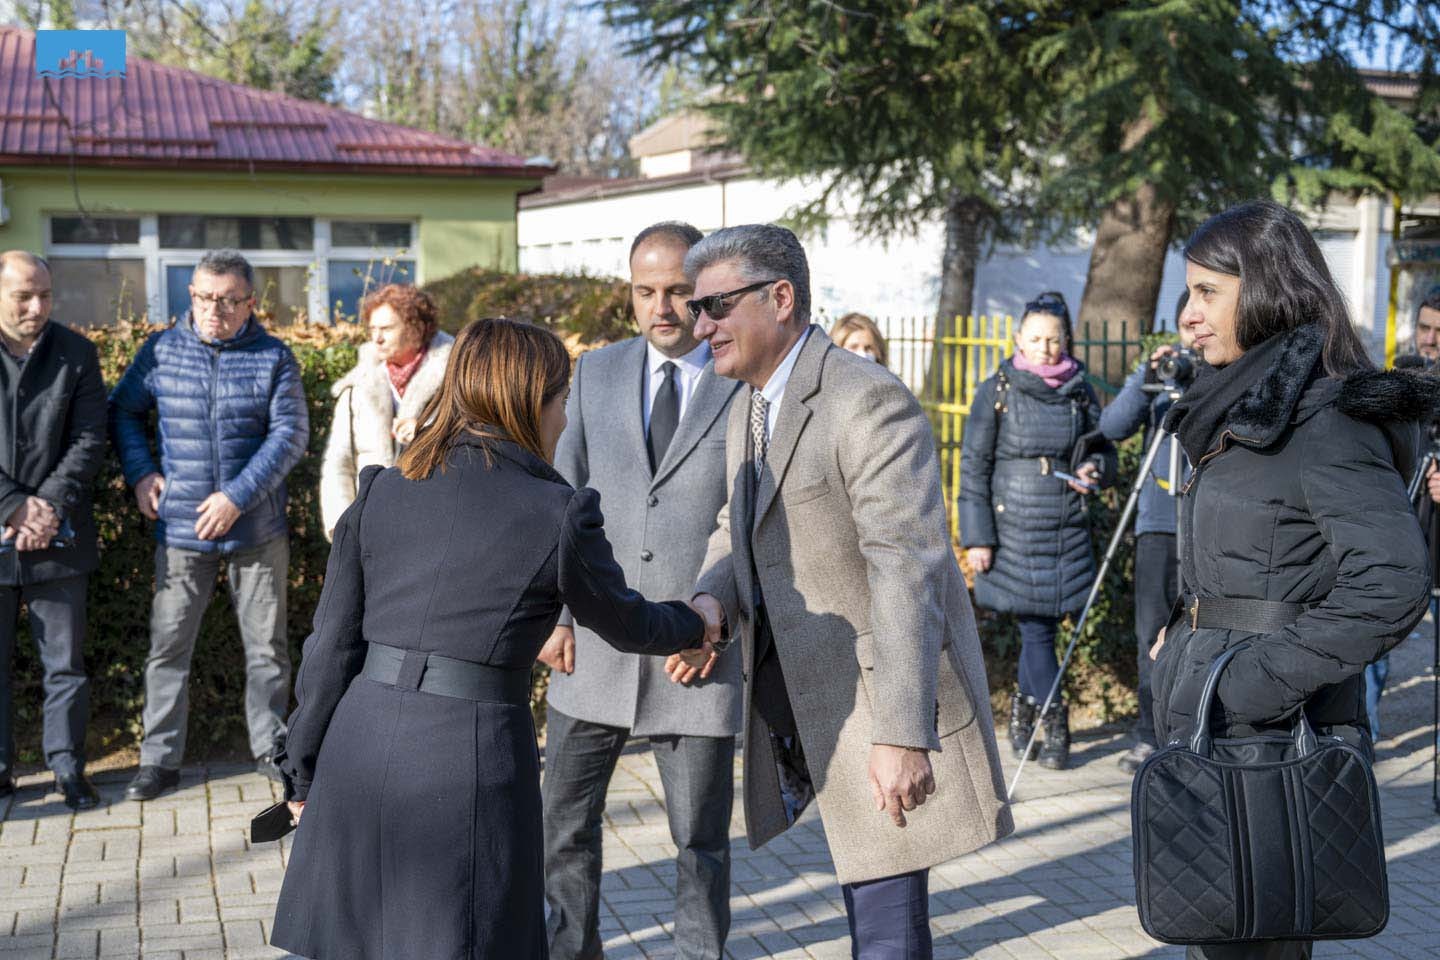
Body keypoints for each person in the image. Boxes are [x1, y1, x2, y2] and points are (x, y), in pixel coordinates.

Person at [269, 317, 713, 960]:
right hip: (468, 755)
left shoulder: (385, 488)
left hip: (359, 742)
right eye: (562, 400)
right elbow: (629, 623)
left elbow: (330, 646)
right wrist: (698, 622)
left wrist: (301, 770)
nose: (565, 419)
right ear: (531, 402)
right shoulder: (557, 511)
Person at [687, 224, 1012, 960]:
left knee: (888, 936)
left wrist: (900, 732)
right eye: (697, 308)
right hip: (812, 705)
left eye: (717, 305)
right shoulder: (747, 403)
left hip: (877, 706)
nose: (701, 326)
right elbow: (737, 528)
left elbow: (906, 570)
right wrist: (710, 603)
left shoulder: (865, 398)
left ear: (780, 298)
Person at [1150, 200, 1434, 960]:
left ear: (1269, 290)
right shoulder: (1237, 404)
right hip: (1213, 720)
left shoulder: (1325, 418)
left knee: (1256, 941)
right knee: (1217, 933)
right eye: (1188, 292)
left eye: (1208, 292)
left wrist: (1254, 683)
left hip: (1273, 736)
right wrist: (1182, 633)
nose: (1188, 314)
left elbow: (1392, 580)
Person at [540, 221, 742, 960]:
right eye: (644, 291)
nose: (661, 308)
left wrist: (714, 621)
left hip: (697, 649)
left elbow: (749, 518)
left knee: (699, 839)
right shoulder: (594, 372)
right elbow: (559, 497)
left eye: (678, 292)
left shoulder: (742, 381)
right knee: (563, 827)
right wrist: (556, 615)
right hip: (592, 646)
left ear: (705, 292)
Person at [109, 249, 309, 801]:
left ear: (250, 302)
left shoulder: (273, 357)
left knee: (267, 649)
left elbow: (291, 434)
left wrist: (236, 497)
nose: (213, 310)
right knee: (168, 646)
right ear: (191, 295)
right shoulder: (160, 351)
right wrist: (141, 473)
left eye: (227, 300)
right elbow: (123, 411)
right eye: (203, 297)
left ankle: (271, 749)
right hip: (180, 529)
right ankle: (158, 760)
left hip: (256, 529)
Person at [957, 291, 1116, 771]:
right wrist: (977, 537)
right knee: (1036, 628)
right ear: (1018, 339)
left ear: (1066, 340)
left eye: (1053, 339)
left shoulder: (1080, 391)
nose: (1045, 348)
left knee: (1041, 628)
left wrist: (1094, 468)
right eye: (1036, 338)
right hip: (1014, 528)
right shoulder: (997, 390)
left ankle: (1024, 714)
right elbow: (974, 465)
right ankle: (1055, 720)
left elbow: (1103, 450)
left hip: (1066, 524)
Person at [0, 251, 107, 810]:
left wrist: (44, 507)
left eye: (44, 295)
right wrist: (12, 505)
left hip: (59, 536)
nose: (36, 307)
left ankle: (67, 768)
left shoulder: (76, 353)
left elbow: (89, 439)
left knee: (65, 666)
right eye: (23, 296)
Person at [1098, 306, 1196, 772]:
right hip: (1157, 522)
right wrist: (1148, 376)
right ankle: (1149, 733)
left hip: (1205, 524)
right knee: (1152, 633)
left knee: (1200, 634)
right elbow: (1113, 427)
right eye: (1188, 322)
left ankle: (1194, 734)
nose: (1195, 330)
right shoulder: (1161, 372)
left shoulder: (1225, 372)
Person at [320, 283, 453, 539]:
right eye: (373, 329)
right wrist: (342, 529)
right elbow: (338, 462)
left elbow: (475, 451)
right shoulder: (357, 386)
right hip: (372, 534)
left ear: (417, 328)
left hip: (436, 531)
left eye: (387, 329)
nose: (377, 338)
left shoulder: (456, 381)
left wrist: (428, 433)